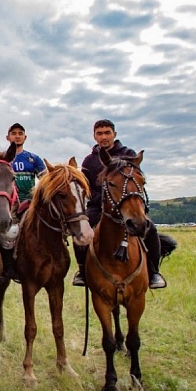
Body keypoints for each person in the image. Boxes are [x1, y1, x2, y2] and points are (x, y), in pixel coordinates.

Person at [72, 119, 167, 289]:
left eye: (107, 133)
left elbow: (135, 182)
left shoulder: (128, 154)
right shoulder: (89, 161)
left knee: (150, 228)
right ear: (94, 136)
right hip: (99, 207)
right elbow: (88, 187)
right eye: (99, 133)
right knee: (81, 230)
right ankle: (82, 271)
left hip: (126, 205)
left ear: (114, 135)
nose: (104, 137)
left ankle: (154, 272)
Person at [6, 123, 46, 204]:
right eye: (13, 133)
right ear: (8, 138)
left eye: (20, 133)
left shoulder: (35, 159)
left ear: (25, 137)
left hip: (29, 204)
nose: (17, 136)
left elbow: (46, 182)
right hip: (7, 204)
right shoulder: (1, 159)